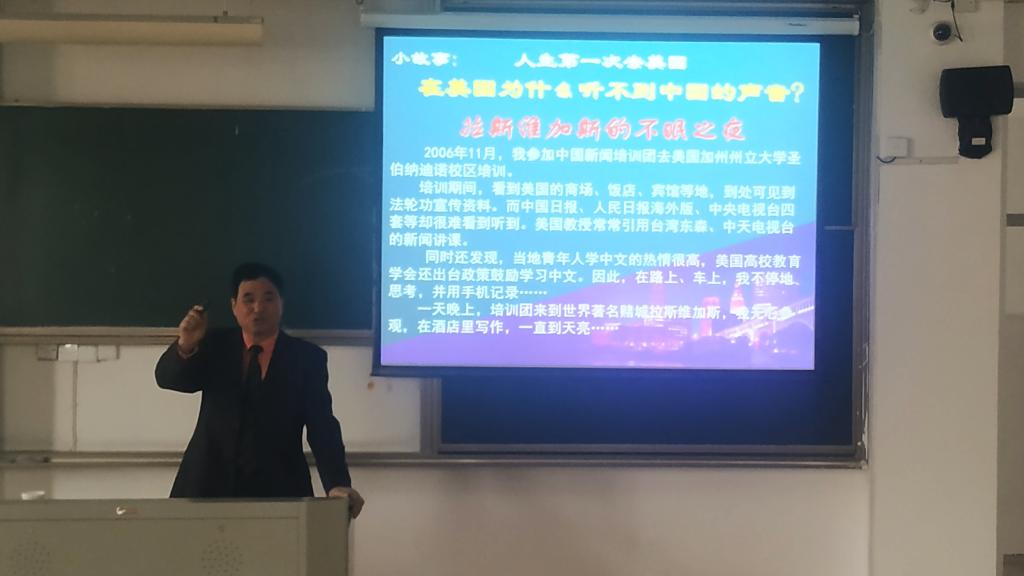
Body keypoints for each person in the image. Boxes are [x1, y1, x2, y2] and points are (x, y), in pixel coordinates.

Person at [155, 262, 364, 518]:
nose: (258, 307)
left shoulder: (307, 358)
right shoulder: (214, 346)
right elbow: (169, 379)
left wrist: (337, 483)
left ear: (281, 304)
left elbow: (322, 425)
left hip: (279, 490)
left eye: (268, 298)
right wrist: (186, 344)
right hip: (206, 486)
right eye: (249, 299)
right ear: (234, 306)